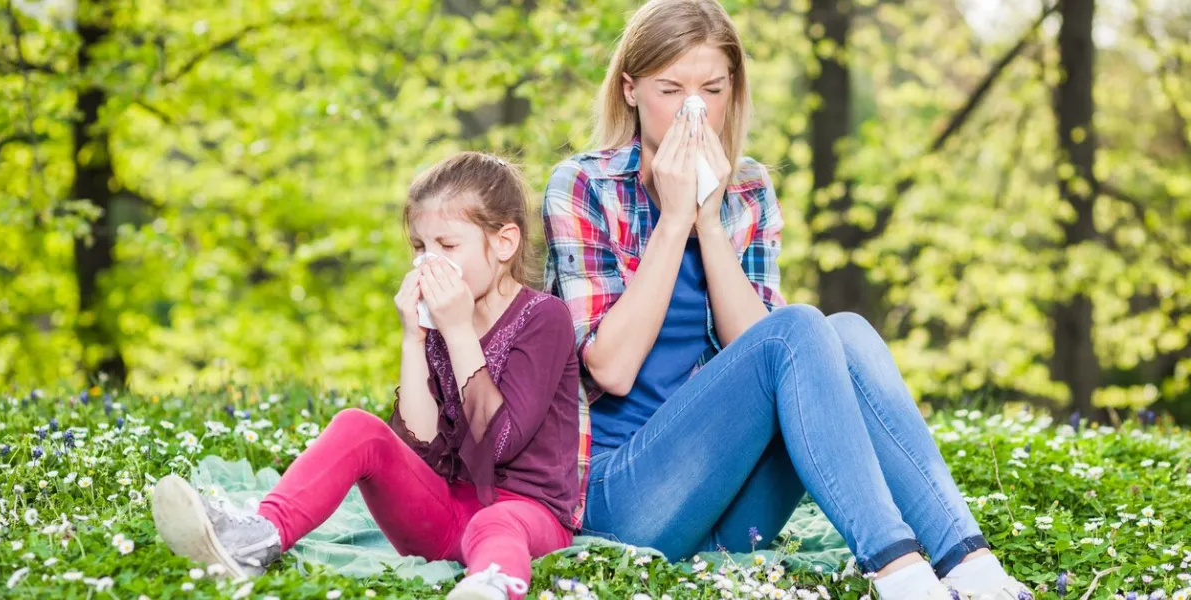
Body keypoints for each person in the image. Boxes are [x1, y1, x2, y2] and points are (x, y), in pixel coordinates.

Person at [541, 2, 1033, 598]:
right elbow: (610, 369)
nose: (693, 110)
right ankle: (900, 572)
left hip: (728, 507)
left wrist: (708, 220)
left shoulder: (747, 187)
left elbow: (769, 354)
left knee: (844, 332)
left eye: (711, 90)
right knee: (799, 325)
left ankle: (970, 563)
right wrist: (673, 221)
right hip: (625, 502)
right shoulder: (585, 185)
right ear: (631, 91)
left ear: (732, 91)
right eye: (670, 90)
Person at [153, 152, 582, 600]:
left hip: (527, 517)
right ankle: (256, 539)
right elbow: (420, 447)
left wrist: (457, 330)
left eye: (447, 246)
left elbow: (497, 444)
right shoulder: (440, 324)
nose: (428, 263)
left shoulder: (543, 318)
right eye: (420, 248)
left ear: (504, 243)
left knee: (495, 522)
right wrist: (414, 339)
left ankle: (491, 586)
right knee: (357, 425)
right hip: (444, 518)